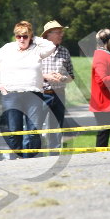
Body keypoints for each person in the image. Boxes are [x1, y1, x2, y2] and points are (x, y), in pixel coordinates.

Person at [0, 21, 56, 158]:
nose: (21, 39)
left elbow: (51, 46)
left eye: (25, 36)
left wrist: (34, 38)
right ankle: (16, 160)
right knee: (14, 131)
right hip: (11, 95)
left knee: (34, 131)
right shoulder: (6, 49)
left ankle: (32, 160)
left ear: (30, 36)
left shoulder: (37, 49)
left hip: (33, 94)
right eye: (18, 36)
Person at [39, 20, 74, 153]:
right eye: (58, 32)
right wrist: (46, 76)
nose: (61, 35)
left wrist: (63, 78)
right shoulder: (38, 51)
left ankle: (54, 154)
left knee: (57, 127)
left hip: (59, 94)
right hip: (42, 93)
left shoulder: (64, 51)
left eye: (61, 32)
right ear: (48, 34)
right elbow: (30, 73)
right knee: (36, 125)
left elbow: (71, 76)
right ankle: (34, 155)